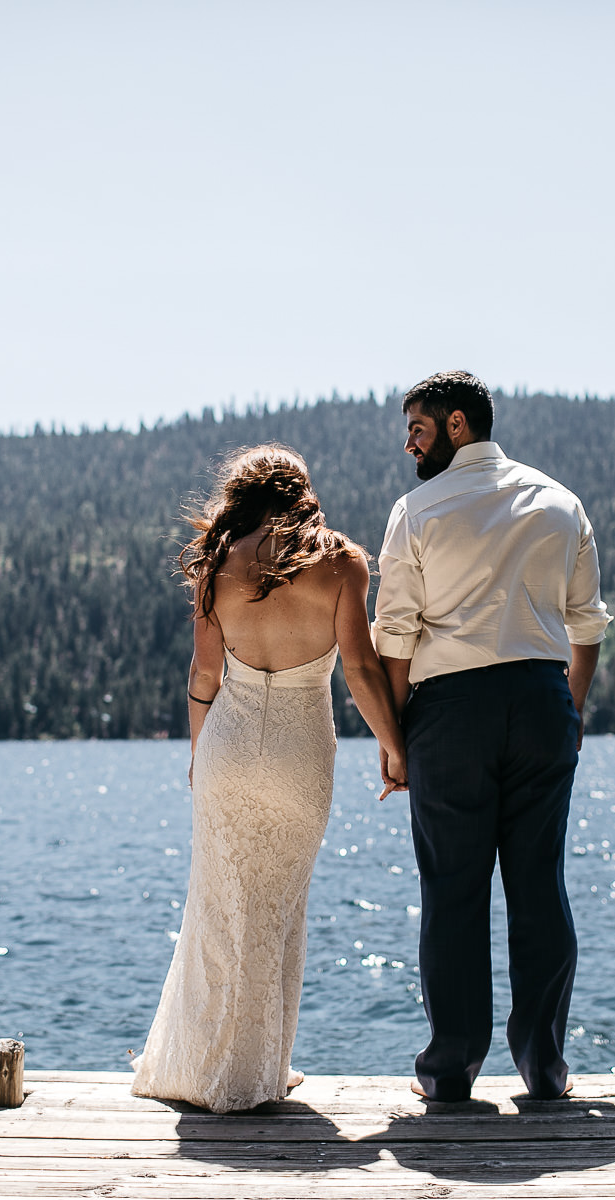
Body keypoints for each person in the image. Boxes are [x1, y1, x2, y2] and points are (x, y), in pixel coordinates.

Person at [131, 444, 408, 1113]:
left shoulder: (216, 562)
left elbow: (203, 675)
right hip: (299, 749)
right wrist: (394, 748)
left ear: (240, 496)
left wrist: (201, 753)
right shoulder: (342, 562)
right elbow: (363, 670)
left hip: (228, 743)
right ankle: (261, 1070)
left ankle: (208, 1066)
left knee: (220, 904)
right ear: (301, 491)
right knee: (280, 907)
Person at [372, 370, 611, 1102]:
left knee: (452, 890)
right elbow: (588, 623)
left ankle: (450, 1073)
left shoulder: (416, 511)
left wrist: (394, 738)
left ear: (456, 425)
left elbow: (396, 636)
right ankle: (544, 1068)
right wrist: (568, 710)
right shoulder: (559, 501)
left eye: (417, 426)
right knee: (540, 884)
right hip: (542, 702)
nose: (407, 443)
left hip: (450, 711)